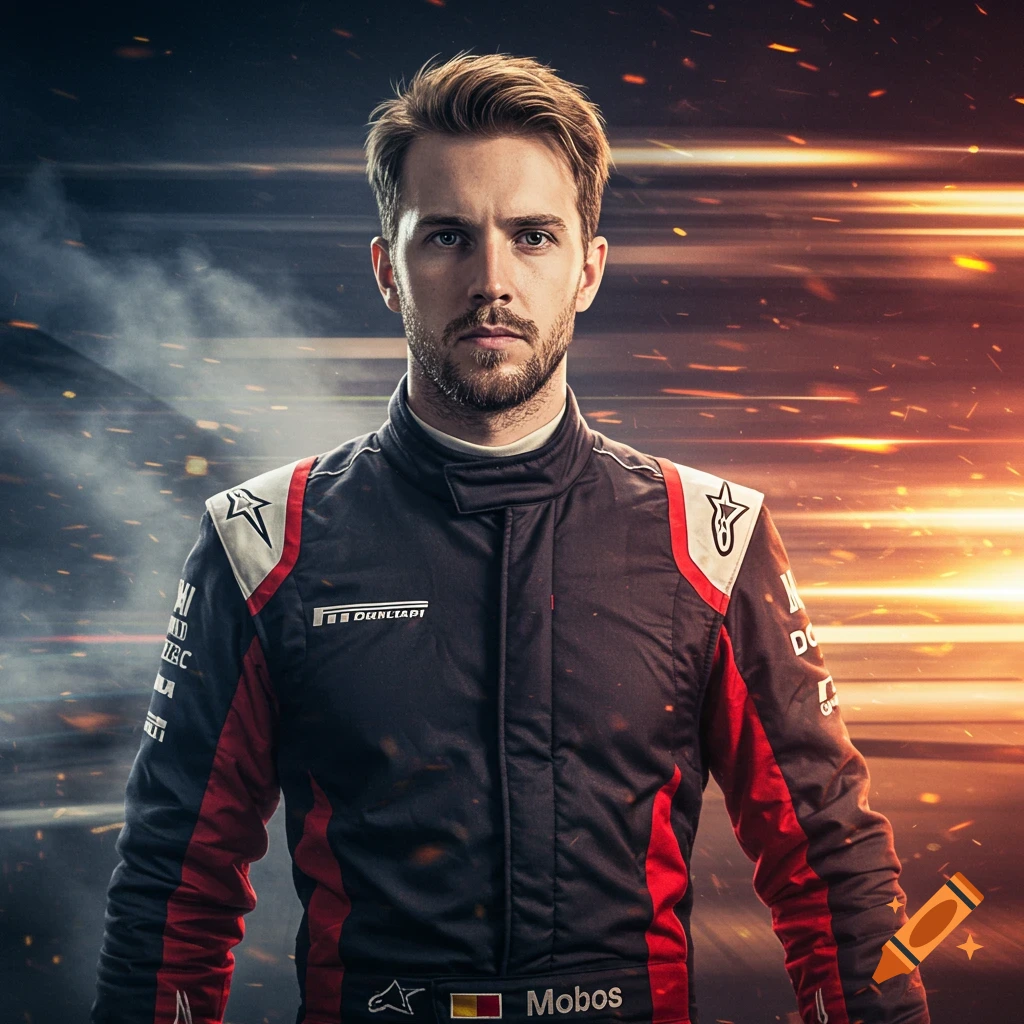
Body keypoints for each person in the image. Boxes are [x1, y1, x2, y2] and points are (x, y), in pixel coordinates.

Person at [92, 51, 930, 1024]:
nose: (491, 279)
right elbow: (171, 884)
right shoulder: (261, 539)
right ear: (386, 270)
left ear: (586, 268)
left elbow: (833, 859)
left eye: (530, 236)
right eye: (447, 235)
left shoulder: (712, 535)